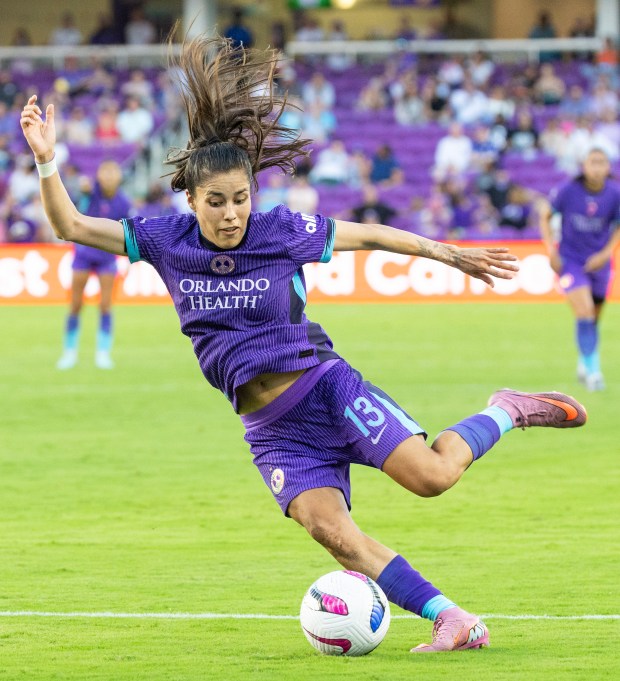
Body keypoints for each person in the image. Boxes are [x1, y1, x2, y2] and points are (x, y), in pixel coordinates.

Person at [21, 34, 587, 654]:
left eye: (241, 198)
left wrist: (444, 252)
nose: (232, 213)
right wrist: (48, 161)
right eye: (216, 202)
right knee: (334, 534)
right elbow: (70, 225)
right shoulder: (166, 241)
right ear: (191, 200)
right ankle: (451, 618)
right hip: (270, 428)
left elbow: (368, 235)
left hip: (324, 387)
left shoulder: (282, 231)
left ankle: (505, 409)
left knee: (432, 478)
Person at [539, 147, 620, 392]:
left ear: (608, 167)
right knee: (583, 311)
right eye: (592, 162)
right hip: (570, 260)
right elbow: (545, 215)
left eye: (602, 162)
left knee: (593, 317)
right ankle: (594, 372)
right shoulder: (568, 191)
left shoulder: (615, 194)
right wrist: (551, 251)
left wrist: (605, 254)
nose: (597, 167)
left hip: (599, 262)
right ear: (583, 166)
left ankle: (584, 362)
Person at [55, 160, 132, 370]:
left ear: (118, 178)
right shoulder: (90, 191)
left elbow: (125, 232)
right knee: (75, 304)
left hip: (107, 257)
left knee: (106, 305)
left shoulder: (123, 203)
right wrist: (84, 189)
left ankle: (103, 353)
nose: (107, 177)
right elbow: (80, 198)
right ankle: (69, 352)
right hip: (83, 254)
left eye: (112, 173)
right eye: (104, 173)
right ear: (98, 176)